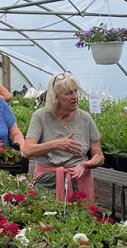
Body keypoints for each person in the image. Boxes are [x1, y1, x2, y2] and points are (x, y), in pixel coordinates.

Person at [23, 72, 103, 201]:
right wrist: (57, 144)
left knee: (79, 220)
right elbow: (27, 151)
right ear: (55, 97)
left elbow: (99, 156)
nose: (75, 97)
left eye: (76, 91)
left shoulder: (85, 118)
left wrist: (86, 164)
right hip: (47, 182)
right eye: (68, 93)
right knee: (45, 219)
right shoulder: (40, 116)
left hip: (79, 179)